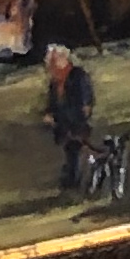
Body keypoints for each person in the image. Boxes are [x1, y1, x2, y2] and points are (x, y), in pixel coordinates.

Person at [42, 42, 98, 193]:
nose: (50, 66)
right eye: (49, 62)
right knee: (71, 152)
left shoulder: (78, 76)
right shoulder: (55, 84)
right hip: (64, 127)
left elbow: (85, 104)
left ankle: (76, 183)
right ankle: (72, 182)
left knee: (76, 152)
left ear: (63, 59)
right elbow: (52, 104)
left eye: (53, 62)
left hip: (77, 124)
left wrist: (64, 117)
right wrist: (49, 115)